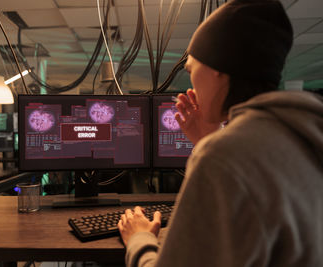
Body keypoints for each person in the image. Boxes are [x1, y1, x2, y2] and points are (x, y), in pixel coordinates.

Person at [118, 0, 323, 266]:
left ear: (217, 69)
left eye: (191, 68)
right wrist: (208, 138)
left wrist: (139, 239)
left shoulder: (225, 155)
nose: (190, 79)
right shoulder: (300, 135)